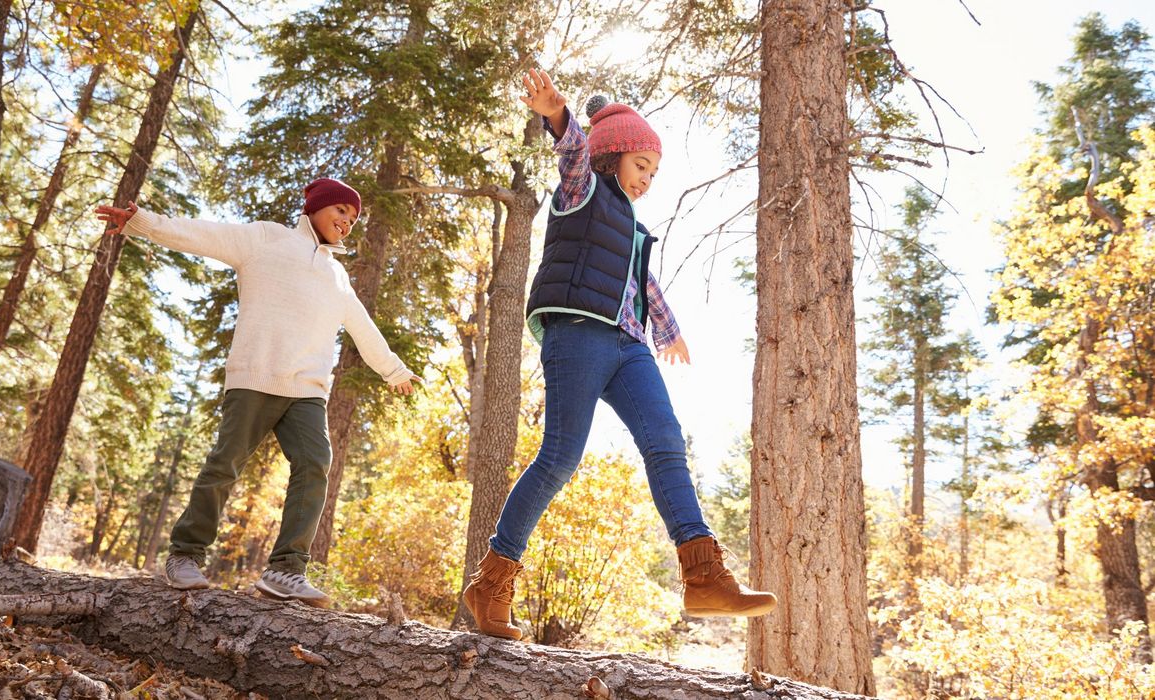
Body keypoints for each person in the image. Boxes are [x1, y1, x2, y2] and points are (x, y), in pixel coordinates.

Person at [462, 70, 776, 640]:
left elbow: (644, 283)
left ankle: (703, 575)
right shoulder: (583, 190)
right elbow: (575, 151)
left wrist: (668, 330)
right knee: (559, 458)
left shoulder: (633, 225)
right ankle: (492, 581)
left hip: (628, 345)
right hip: (578, 331)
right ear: (613, 159)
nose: (646, 180)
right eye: (640, 167)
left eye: (654, 173)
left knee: (665, 442)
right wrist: (557, 115)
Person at [96, 178, 420, 608]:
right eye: (340, 210)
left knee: (315, 464)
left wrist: (394, 370)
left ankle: (286, 569)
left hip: (306, 390)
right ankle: (185, 555)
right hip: (255, 376)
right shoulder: (265, 238)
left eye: (354, 218)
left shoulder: (337, 274)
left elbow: (363, 327)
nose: (347, 221)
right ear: (317, 207)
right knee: (225, 464)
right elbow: (203, 234)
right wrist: (140, 223)